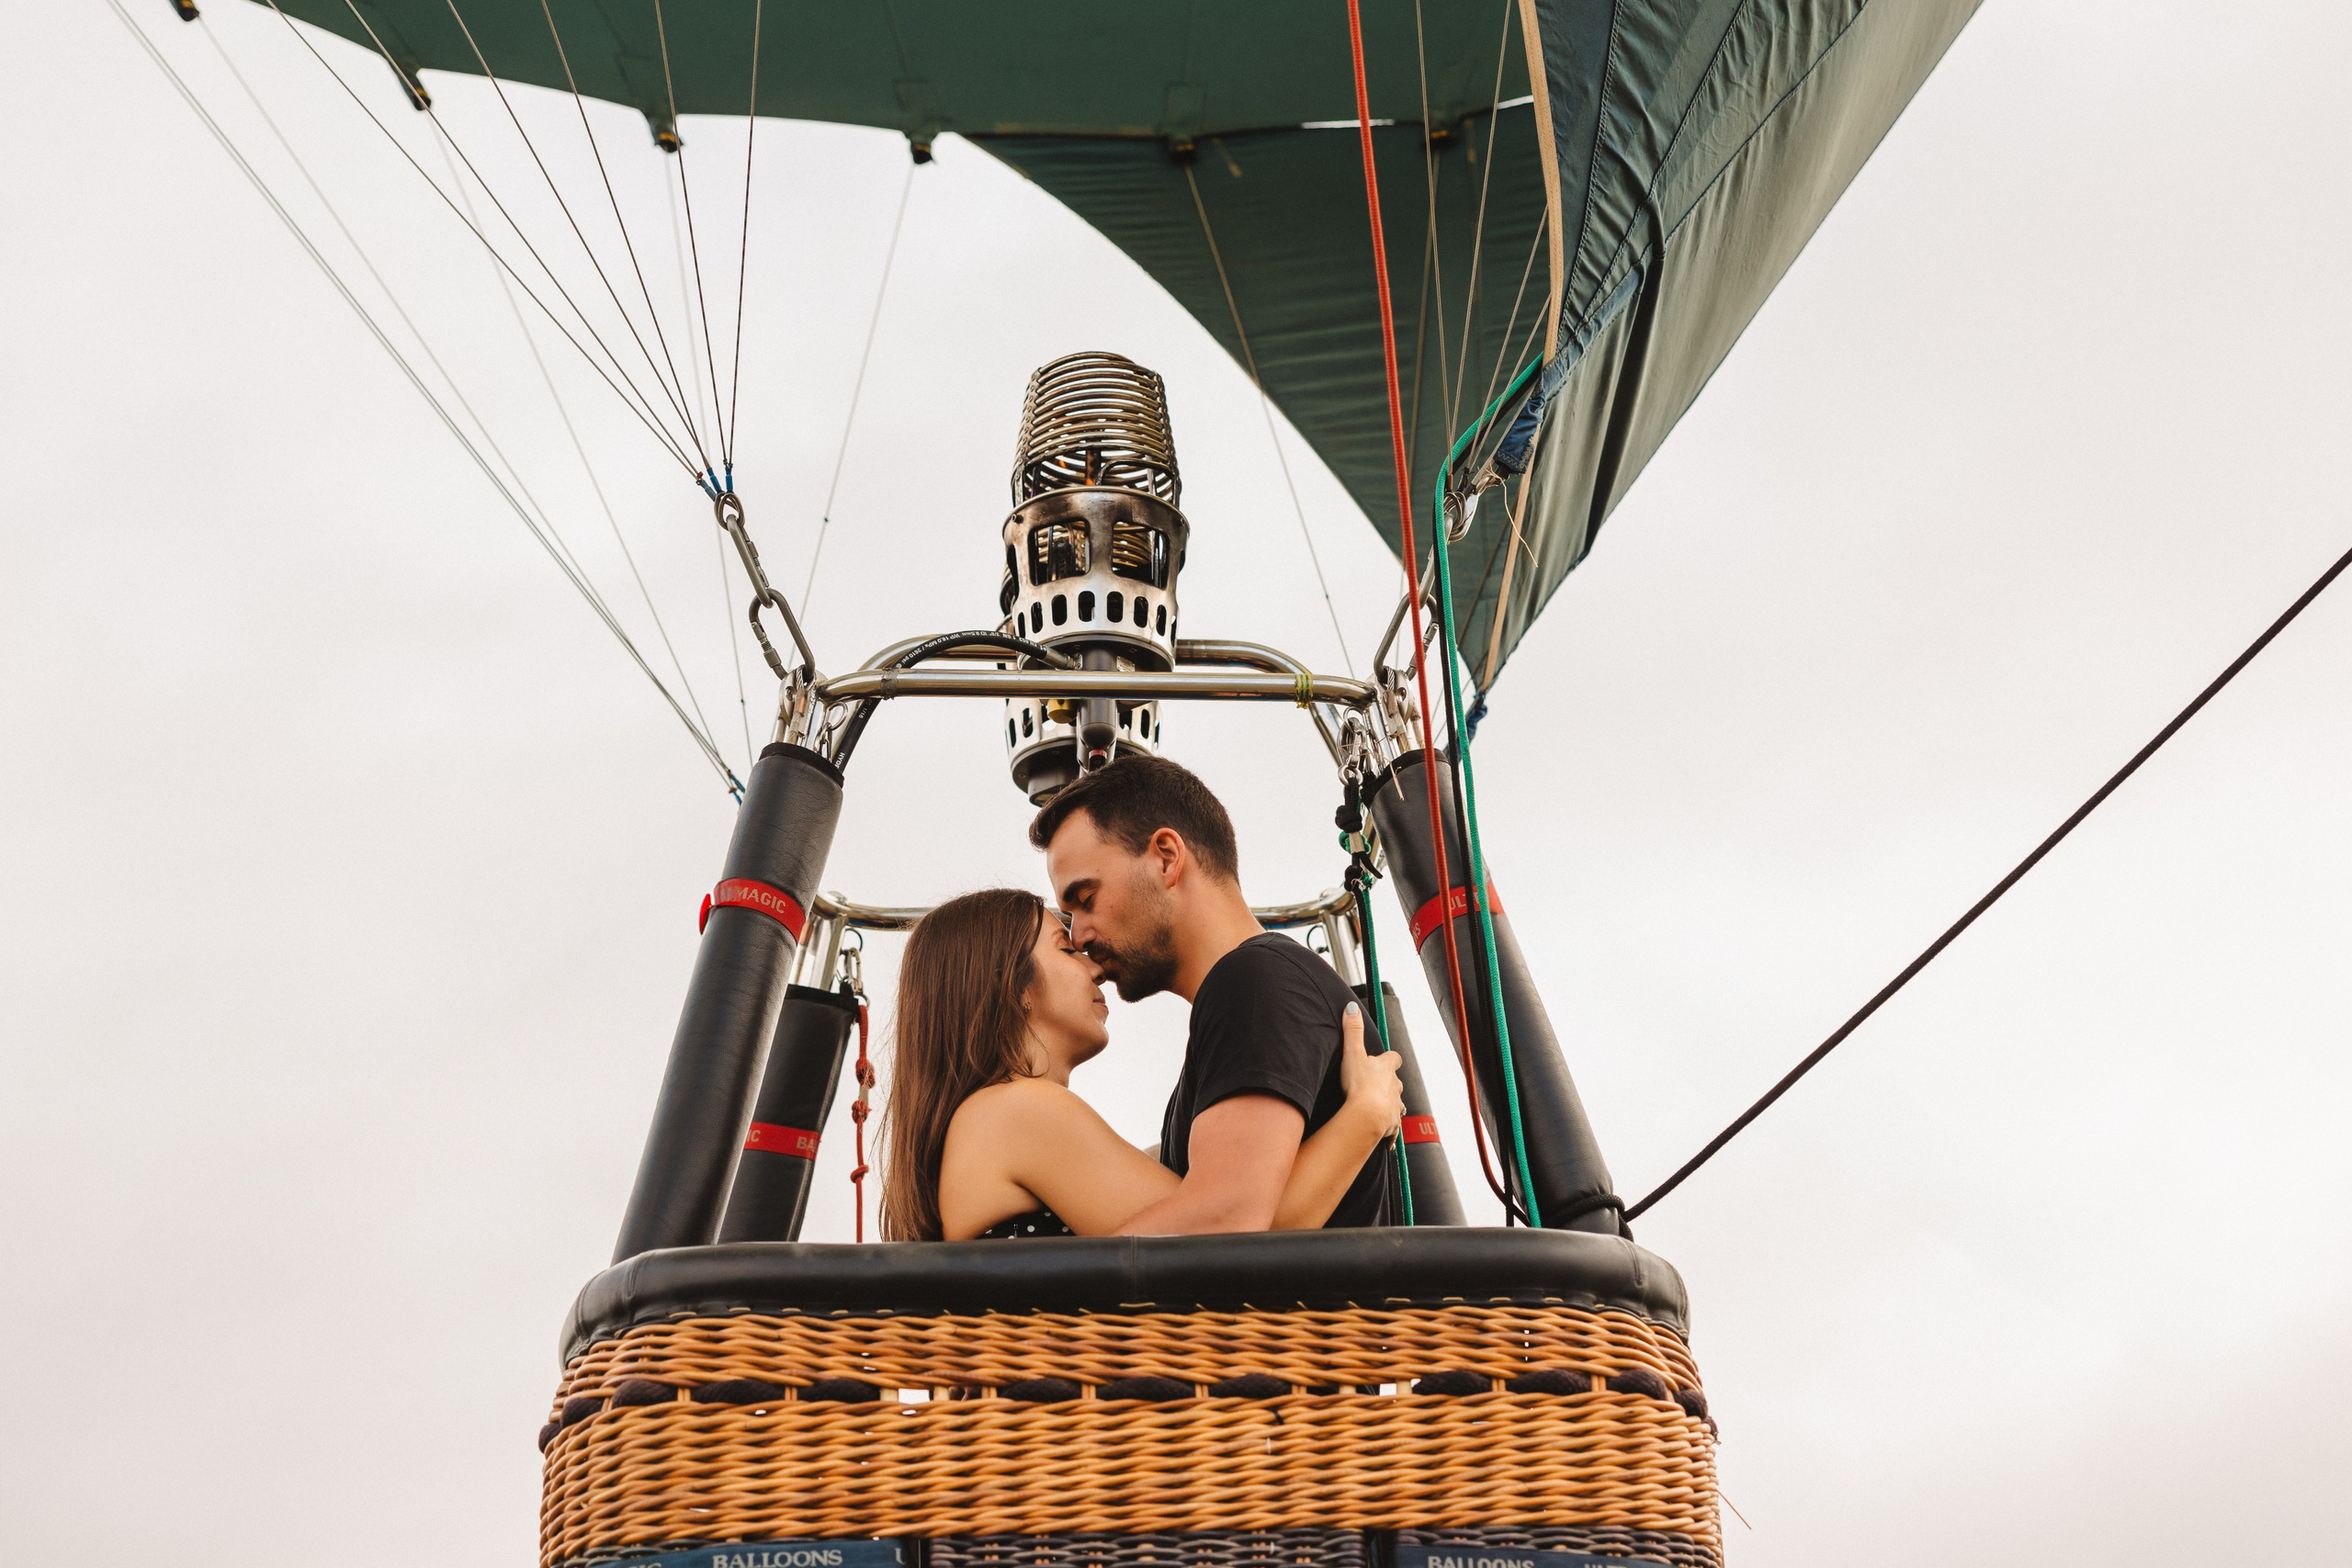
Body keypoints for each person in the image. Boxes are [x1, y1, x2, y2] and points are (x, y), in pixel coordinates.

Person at [877, 886, 1402, 1241]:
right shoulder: (1017, 1111)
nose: (1093, 966)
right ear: (1012, 991)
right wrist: (1365, 1114)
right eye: (1065, 948)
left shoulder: (997, 1122)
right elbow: (1234, 1237)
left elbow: (1193, 1194)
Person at [1031, 754, 1397, 1233]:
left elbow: (1227, 1221)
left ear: (1166, 857)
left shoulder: (1256, 980)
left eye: (1086, 900)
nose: (1079, 936)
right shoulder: (1249, 989)